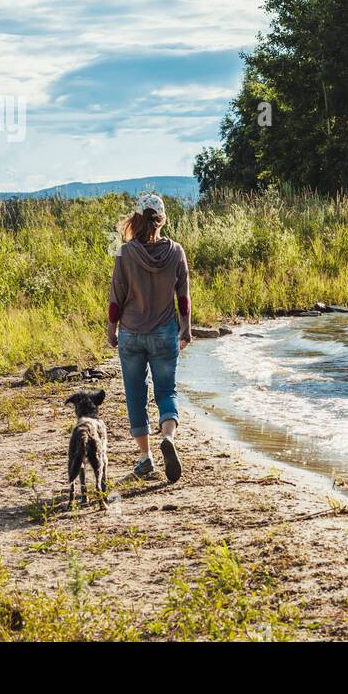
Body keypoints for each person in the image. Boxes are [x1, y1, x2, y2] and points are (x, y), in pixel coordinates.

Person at [106, 193, 191, 482]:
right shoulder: (176, 251)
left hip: (131, 333)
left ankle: (145, 458)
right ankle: (167, 436)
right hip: (165, 333)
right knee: (167, 391)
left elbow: (116, 296)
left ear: (137, 219)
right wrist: (186, 327)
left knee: (135, 396)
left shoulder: (124, 253)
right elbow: (183, 298)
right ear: (162, 219)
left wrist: (111, 329)